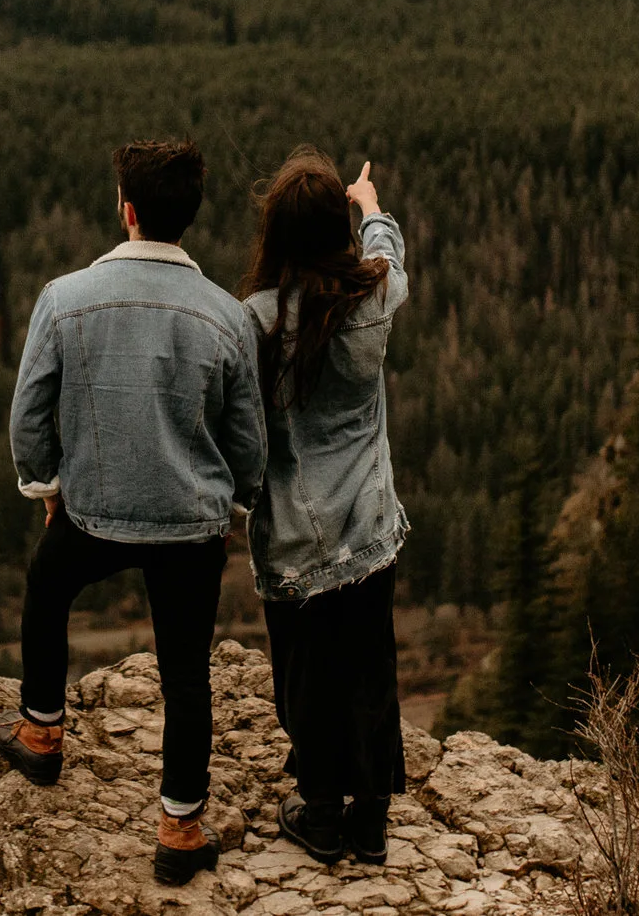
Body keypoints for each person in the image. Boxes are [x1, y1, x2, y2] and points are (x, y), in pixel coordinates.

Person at [0, 137, 267, 887]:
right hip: (191, 522)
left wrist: (47, 488)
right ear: (188, 215)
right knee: (186, 673)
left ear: (127, 210)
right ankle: (180, 827)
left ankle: (42, 734)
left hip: (92, 507)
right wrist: (234, 505)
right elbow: (250, 439)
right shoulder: (226, 316)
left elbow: (28, 414)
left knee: (48, 590)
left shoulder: (64, 297)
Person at [239, 148, 411, 867]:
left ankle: (320, 810)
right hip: (367, 527)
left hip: (295, 537)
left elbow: (244, 433)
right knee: (369, 669)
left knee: (305, 673)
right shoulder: (370, 298)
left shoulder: (254, 320)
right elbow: (388, 253)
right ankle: (370, 821)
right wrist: (369, 204)